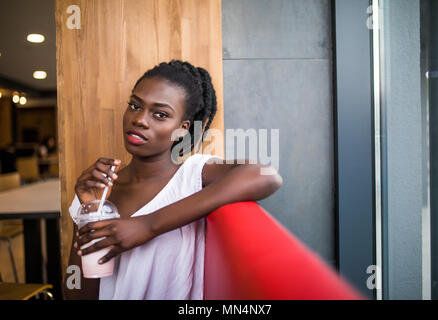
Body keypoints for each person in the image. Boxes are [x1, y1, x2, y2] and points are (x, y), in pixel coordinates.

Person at [64, 60, 283, 300]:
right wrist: (88, 212)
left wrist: (147, 226)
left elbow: (266, 175)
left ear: (182, 128)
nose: (140, 120)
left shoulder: (192, 176)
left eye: (160, 114)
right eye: (135, 106)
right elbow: (76, 294)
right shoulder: (99, 188)